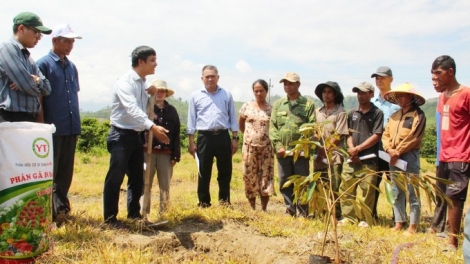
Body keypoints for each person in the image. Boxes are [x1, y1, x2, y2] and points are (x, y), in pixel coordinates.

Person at [103, 46, 169, 228]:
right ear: (141, 62)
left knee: (137, 178)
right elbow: (131, 109)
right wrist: (153, 126)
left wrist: (153, 91)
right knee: (116, 177)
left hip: (136, 136)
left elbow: (149, 94)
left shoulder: (143, 83)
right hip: (121, 135)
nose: (156, 64)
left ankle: (133, 215)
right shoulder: (125, 83)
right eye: (152, 60)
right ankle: (110, 219)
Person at [36, 24, 82, 223]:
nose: (71, 45)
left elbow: (73, 95)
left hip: (71, 126)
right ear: (55, 41)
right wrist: (41, 125)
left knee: (65, 171)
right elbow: (39, 98)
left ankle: (62, 208)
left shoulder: (72, 67)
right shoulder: (43, 64)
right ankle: (50, 212)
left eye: (73, 41)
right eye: (67, 41)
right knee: (51, 172)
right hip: (52, 127)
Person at [431, 55, 470, 250]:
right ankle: (446, 230)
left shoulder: (466, 94)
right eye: (432, 75)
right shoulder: (441, 97)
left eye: (438, 73)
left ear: (451, 72)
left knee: (456, 197)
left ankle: (453, 241)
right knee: (444, 195)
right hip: (444, 155)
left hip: (461, 154)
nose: (434, 79)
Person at [187, 65, 239, 208]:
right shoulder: (196, 96)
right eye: (207, 76)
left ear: (218, 77)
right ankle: (204, 202)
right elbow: (191, 120)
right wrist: (191, 141)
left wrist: (235, 138)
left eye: (213, 76)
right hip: (204, 137)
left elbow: (233, 118)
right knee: (203, 171)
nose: (210, 79)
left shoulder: (226, 94)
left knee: (225, 170)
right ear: (202, 78)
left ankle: (224, 201)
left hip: (223, 136)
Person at [382, 83, 426, 234]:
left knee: (413, 189)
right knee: (396, 189)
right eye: (398, 96)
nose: (399, 99)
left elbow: (414, 137)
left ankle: (413, 225)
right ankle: (399, 221)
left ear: (411, 97)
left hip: (409, 155)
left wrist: (398, 151)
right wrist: (389, 149)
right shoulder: (394, 116)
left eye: (402, 96)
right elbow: (385, 134)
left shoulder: (418, 115)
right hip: (392, 156)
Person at [269, 72, 316, 216]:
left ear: (298, 85)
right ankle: (289, 210)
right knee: (285, 181)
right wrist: (278, 146)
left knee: (302, 181)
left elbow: (311, 127)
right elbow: (273, 127)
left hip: (300, 153)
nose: (287, 86)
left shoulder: (308, 104)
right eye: (285, 84)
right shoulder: (278, 105)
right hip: (283, 152)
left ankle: (302, 212)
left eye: (291, 83)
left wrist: (300, 147)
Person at [339, 82, 383, 227]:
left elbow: (376, 135)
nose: (360, 96)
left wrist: (358, 149)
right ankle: (348, 217)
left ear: (371, 94)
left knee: (367, 190)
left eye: (364, 93)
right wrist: (352, 149)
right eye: (358, 93)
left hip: (369, 159)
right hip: (352, 158)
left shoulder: (377, 113)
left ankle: (365, 219)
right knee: (346, 188)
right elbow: (348, 134)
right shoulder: (352, 112)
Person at [0, 12, 52, 122]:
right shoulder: (8, 48)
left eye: (40, 34)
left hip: (27, 118)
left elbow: (47, 88)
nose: (39, 38)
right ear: (22, 28)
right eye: (37, 33)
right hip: (11, 117)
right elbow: (27, 85)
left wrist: (36, 80)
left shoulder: (28, 57)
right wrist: (27, 82)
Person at [141, 79, 180, 215]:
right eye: (157, 91)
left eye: (162, 91)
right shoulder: (146, 108)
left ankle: (164, 213)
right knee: (146, 184)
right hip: (147, 151)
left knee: (165, 185)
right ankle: (144, 213)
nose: (160, 93)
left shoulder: (172, 111)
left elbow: (176, 133)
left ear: (166, 93)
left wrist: (176, 155)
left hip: (166, 153)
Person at [313, 81, 348, 220]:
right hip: (319, 155)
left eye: (329, 92)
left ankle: (335, 214)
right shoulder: (317, 112)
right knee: (320, 182)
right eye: (324, 92)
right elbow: (315, 131)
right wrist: (319, 148)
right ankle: (320, 211)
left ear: (335, 95)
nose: (326, 95)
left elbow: (338, 135)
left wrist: (326, 149)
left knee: (334, 184)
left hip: (334, 154)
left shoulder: (340, 112)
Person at [238, 79, 274, 211]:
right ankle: (252, 208)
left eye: (261, 91)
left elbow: (274, 128)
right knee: (249, 175)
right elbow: (241, 124)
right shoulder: (246, 106)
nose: (258, 93)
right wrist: (249, 137)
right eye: (256, 91)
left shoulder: (271, 109)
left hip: (266, 148)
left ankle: (264, 208)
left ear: (266, 91)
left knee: (266, 175)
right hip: (249, 148)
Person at [371, 66, 400, 220]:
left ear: (391, 79)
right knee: (373, 181)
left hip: (392, 148)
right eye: (377, 77)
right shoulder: (371, 102)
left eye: (382, 77)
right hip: (374, 147)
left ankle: (398, 217)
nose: (379, 80)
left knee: (394, 183)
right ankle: (371, 214)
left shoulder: (398, 103)